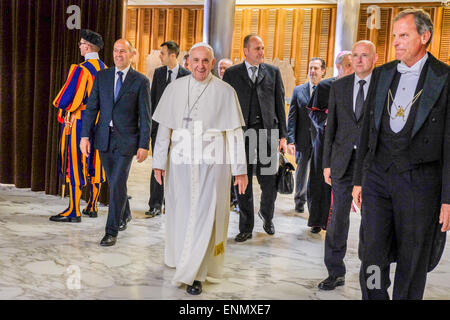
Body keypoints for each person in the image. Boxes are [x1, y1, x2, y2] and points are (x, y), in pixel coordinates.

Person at [352, 9, 449, 300]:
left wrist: (448, 198)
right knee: (372, 255)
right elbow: (367, 132)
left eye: (403, 35)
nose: (395, 42)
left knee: (413, 258)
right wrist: (359, 180)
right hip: (378, 179)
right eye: (394, 36)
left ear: (424, 36)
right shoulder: (381, 74)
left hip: (421, 182)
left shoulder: (444, 78)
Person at [151, 42, 248, 295]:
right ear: (188, 62)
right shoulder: (174, 89)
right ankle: (182, 261)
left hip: (212, 166)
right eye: (196, 60)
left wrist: (240, 169)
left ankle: (195, 274)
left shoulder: (225, 91)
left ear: (212, 63)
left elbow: (235, 134)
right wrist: (159, 162)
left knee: (206, 216)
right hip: (180, 166)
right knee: (182, 213)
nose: (200, 66)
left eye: (205, 61)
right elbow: (164, 130)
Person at [318, 40, 377, 290]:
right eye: (356, 55)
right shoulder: (339, 86)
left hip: (371, 164)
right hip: (342, 162)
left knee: (371, 220)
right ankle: (335, 271)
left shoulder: (382, 86)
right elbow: (331, 127)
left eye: (365, 55)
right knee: (337, 219)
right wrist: (327, 163)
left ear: (375, 58)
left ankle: (370, 271)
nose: (359, 60)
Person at [80, 39, 151, 247]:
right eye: (115, 51)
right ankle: (125, 213)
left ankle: (111, 231)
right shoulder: (102, 77)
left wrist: (144, 144)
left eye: (122, 51)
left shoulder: (140, 81)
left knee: (118, 181)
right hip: (104, 138)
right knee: (114, 182)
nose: (118, 55)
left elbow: (145, 116)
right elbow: (92, 108)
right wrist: (85, 136)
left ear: (132, 54)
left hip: (127, 140)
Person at [223, 34, 288, 242]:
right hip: (242, 137)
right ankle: (246, 227)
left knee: (269, 183)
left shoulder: (273, 72)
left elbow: (279, 104)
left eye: (262, 48)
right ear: (246, 51)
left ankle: (267, 216)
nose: (261, 52)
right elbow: (225, 106)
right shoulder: (232, 74)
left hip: (266, 136)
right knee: (243, 184)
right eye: (257, 48)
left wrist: (283, 136)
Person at [50, 29, 106, 223]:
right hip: (100, 122)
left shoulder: (81, 69)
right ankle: (92, 205)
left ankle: (74, 210)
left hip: (81, 120)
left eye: (82, 43)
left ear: (88, 46)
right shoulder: (106, 69)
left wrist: (61, 106)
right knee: (95, 162)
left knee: (75, 162)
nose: (80, 46)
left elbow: (67, 98)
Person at [305, 51, 354, 234]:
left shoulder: (357, 87)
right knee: (319, 182)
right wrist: (328, 121)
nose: (352, 68)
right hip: (325, 143)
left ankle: (335, 219)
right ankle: (318, 220)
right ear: (338, 66)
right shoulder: (326, 86)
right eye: (348, 65)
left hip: (346, 145)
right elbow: (314, 112)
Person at [145, 41, 190, 218]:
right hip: (159, 128)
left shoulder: (187, 75)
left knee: (177, 167)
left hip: (179, 131)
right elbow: (153, 100)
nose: (160, 56)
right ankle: (155, 204)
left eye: (162, 53)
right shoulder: (158, 73)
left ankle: (172, 203)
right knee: (158, 165)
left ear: (172, 55)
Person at [287, 57, 326, 213]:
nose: (312, 71)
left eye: (316, 68)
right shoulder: (298, 90)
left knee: (317, 174)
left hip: (320, 140)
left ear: (323, 71)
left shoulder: (328, 90)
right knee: (301, 172)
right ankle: (299, 200)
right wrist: (290, 140)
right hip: (302, 139)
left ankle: (314, 203)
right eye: (310, 68)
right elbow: (292, 117)